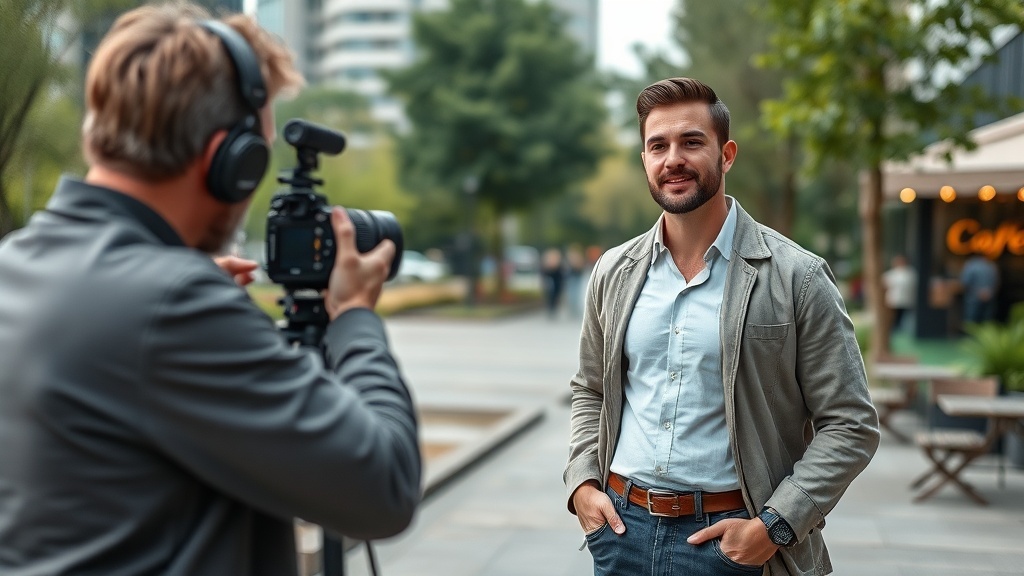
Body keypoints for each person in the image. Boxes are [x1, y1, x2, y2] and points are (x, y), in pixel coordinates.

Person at [0, 5, 420, 575]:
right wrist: (352, 317)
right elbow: (385, 488)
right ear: (230, 161)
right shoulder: (170, 303)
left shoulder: (17, 265)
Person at [563, 78, 879, 576]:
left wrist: (774, 526)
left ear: (726, 154)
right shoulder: (613, 271)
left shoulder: (797, 276)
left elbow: (850, 424)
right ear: (644, 160)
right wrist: (582, 484)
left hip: (734, 543)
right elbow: (590, 389)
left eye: (692, 142)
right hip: (621, 533)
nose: (673, 159)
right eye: (658, 146)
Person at [960, 254, 999, 324]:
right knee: (987, 320)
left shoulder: (971, 265)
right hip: (989, 295)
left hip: (974, 296)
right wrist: (989, 292)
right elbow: (997, 282)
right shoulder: (991, 266)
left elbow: (965, 282)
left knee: (971, 320)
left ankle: (969, 335)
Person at [882, 254, 916, 333]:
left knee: (906, 320)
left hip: (907, 301)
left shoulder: (910, 273)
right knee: (895, 320)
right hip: (894, 302)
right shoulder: (891, 274)